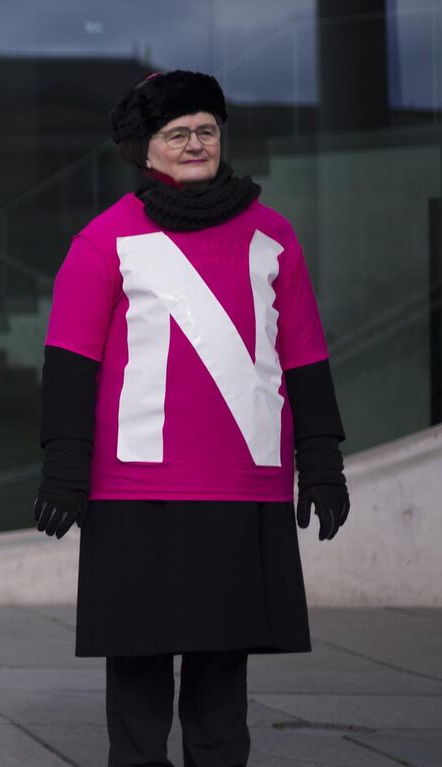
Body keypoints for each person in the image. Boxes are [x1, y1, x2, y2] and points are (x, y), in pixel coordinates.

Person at [34, 70, 348, 767]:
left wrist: (322, 462)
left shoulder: (274, 235)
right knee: (139, 670)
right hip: (135, 486)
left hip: (242, 483)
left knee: (220, 671)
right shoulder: (103, 239)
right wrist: (64, 466)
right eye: (177, 133)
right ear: (146, 149)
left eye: (206, 130)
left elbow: (303, 356)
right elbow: (70, 360)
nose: (195, 143)